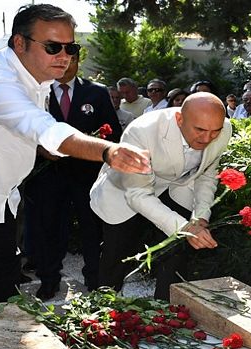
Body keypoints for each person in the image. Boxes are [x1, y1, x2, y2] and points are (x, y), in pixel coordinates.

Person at [0, 3, 150, 307]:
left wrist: (42, 149)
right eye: (53, 46)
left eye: (71, 47)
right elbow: (42, 127)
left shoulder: (33, 74)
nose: (64, 56)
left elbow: (21, 130)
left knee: (3, 280)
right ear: (20, 43)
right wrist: (108, 150)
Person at [90, 93, 231, 299]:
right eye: (199, 130)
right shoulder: (142, 131)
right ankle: (103, 308)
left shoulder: (224, 129)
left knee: (177, 250)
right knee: (118, 254)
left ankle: (165, 309)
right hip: (125, 193)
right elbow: (138, 193)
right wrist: (185, 227)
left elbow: (207, 175)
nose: (207, 139)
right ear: (179, 119)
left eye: (214, 132)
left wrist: (200, 218)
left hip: (176, 188)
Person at [25, 56, 123, 300]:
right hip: (47, 175)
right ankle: (49, 279)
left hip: (86, 176)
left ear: (79, 63)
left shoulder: (96, 92)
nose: (66, 66)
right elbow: (22, 130)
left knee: (91, 229)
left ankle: (94, 278)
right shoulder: (36, 91)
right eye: (61, 62)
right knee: (49, 229)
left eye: (72, 61)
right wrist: (39, 149)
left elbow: (113, 133)